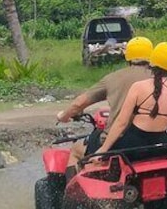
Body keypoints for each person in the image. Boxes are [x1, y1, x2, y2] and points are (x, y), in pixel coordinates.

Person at [57, 36, 154, 178]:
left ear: (127, 57)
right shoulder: (161, 78)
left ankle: (70, 196)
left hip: (118, 142)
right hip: (154, 140)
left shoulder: (113, 78)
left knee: (76, 150)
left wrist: (63, 116)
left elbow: (79, 103)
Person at [95, 42, 167, 158]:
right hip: (162, 144)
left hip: (134, 145)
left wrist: (103, 149)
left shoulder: (138, 87)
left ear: (152, 62)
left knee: (95, 155)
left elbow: (121, 122)